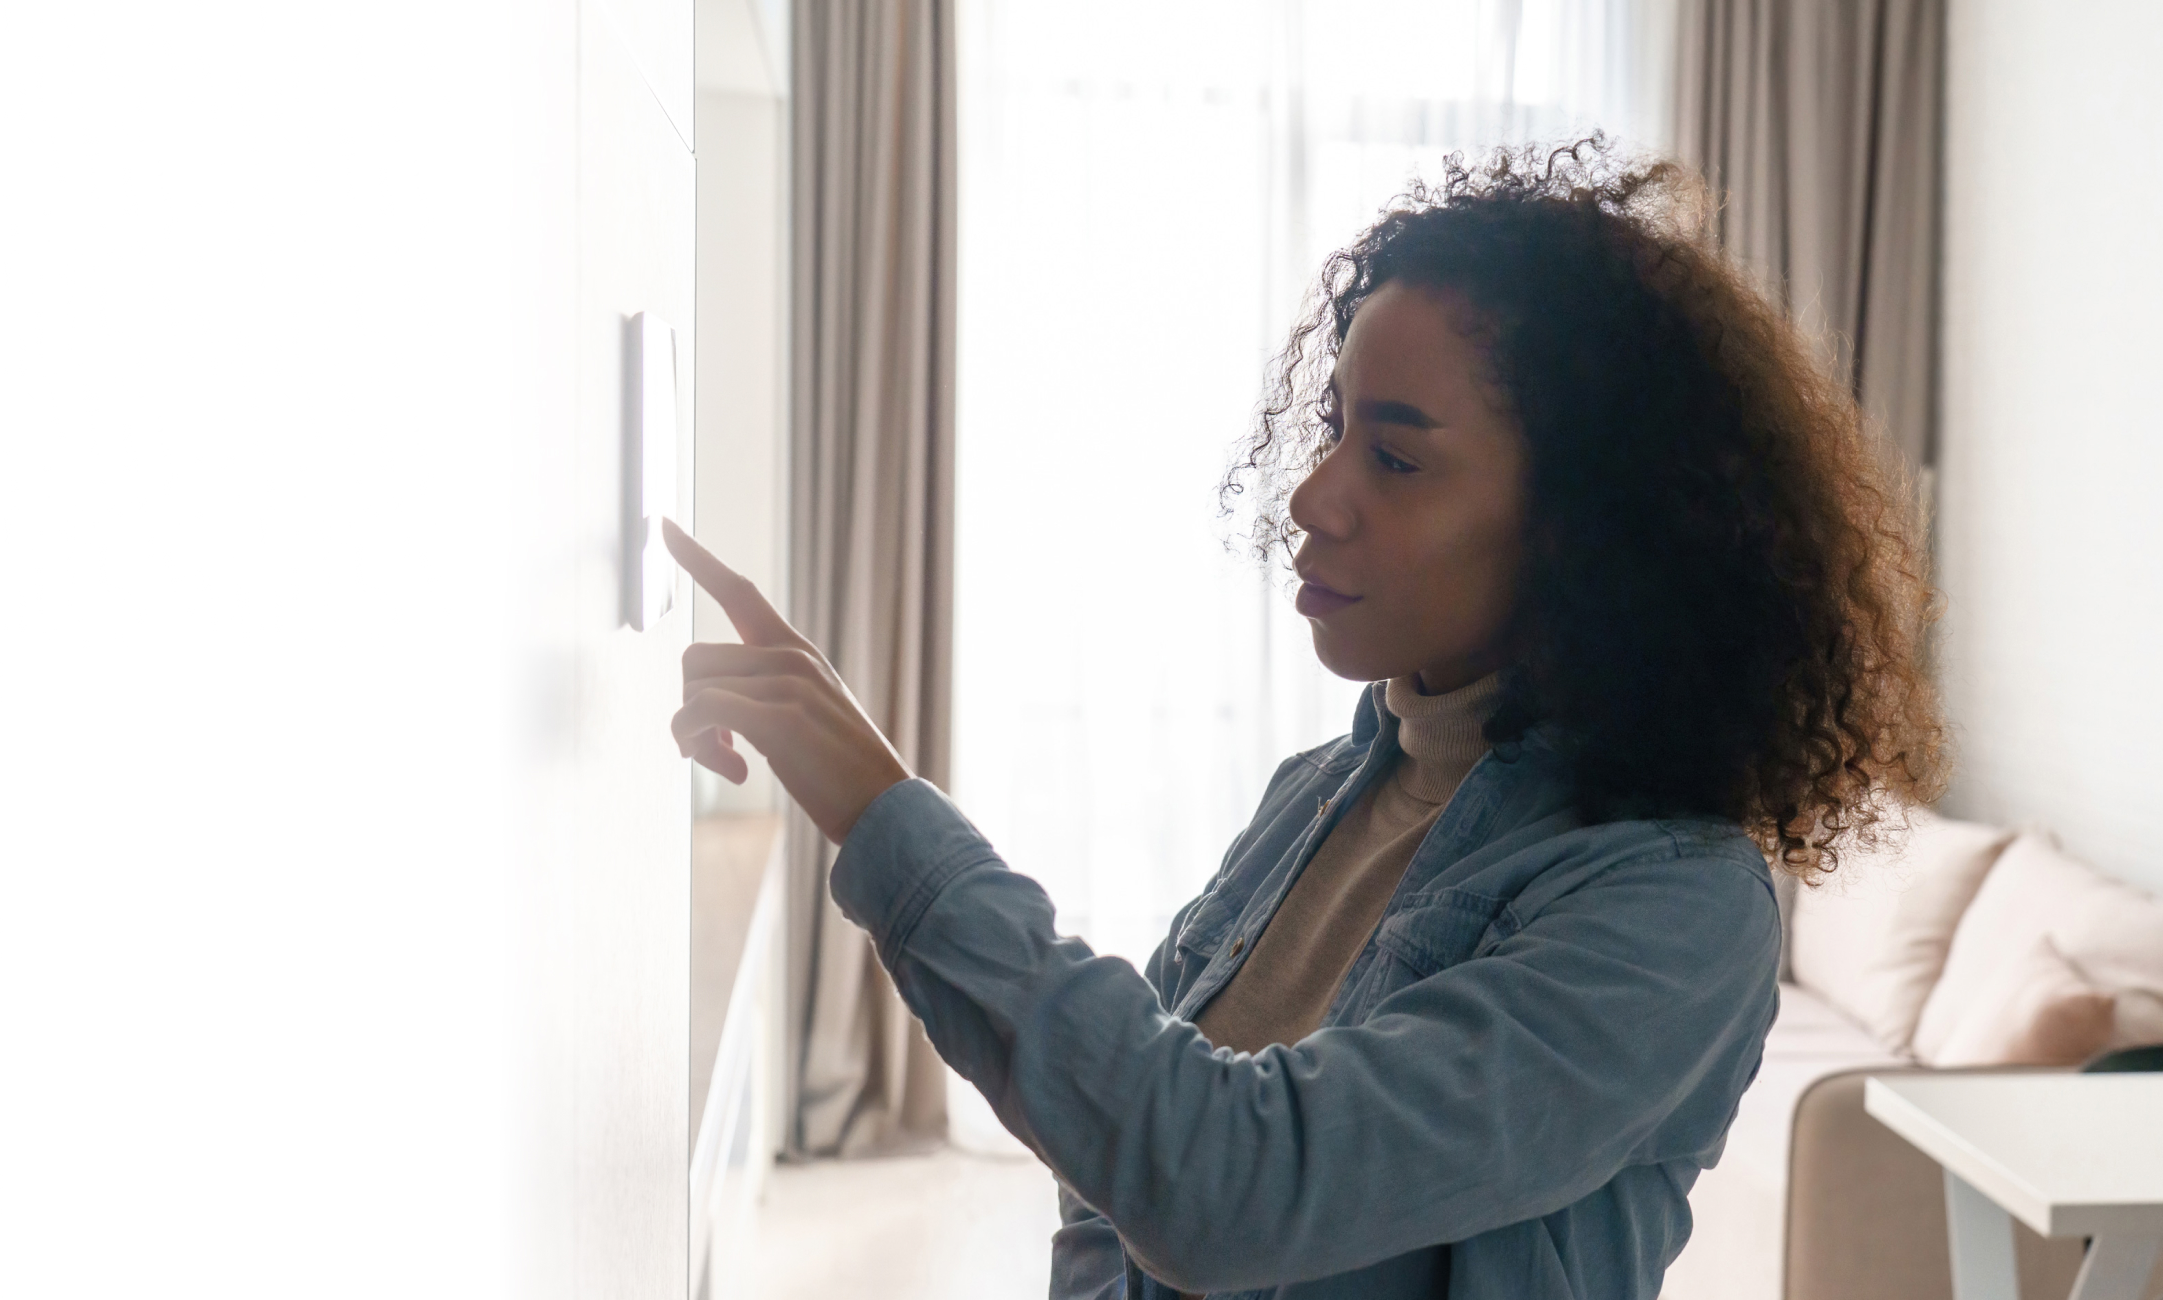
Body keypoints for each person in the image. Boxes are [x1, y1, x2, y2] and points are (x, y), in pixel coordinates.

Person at [663, 139, 1944, 1300]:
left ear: (1584, 531)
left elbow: (1227, 1185)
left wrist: (881, 812)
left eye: (1395, 457)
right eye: (1334, 429)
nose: (1313, 497)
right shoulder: (1318, 792)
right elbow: (1113, 1161)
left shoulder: (1674, 906)